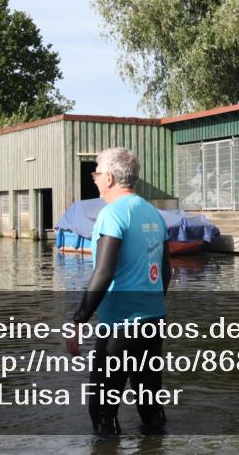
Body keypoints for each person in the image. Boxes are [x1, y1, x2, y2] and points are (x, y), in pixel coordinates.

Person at [64, 147, 172, 437]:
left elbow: (104, 273)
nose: (95, 180)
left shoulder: (112, 215)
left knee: (102, 408)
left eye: (96, 173)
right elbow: (166, 273)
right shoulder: (154, 214)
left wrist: (77, 321)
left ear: (109, 177)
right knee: (149, 404)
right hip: (154, 320)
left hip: (121, 326)